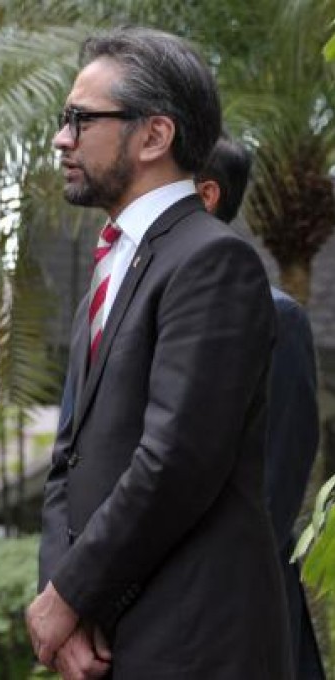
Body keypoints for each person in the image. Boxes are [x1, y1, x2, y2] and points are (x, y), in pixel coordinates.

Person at [27, 27, 292, 680]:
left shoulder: (212, 260)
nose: (62, 138)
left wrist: (70, 596)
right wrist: (63, 596)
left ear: (153, 136)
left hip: (193, 639)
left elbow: (178, 459)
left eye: (80, 119)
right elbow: (72, 454)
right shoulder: (116, 260)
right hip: (108, 634)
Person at [195, 136, 325, 680]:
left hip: (236, 619)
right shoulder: (127, 306)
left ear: (205, 196)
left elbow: (277, 481)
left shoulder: (276, 319)